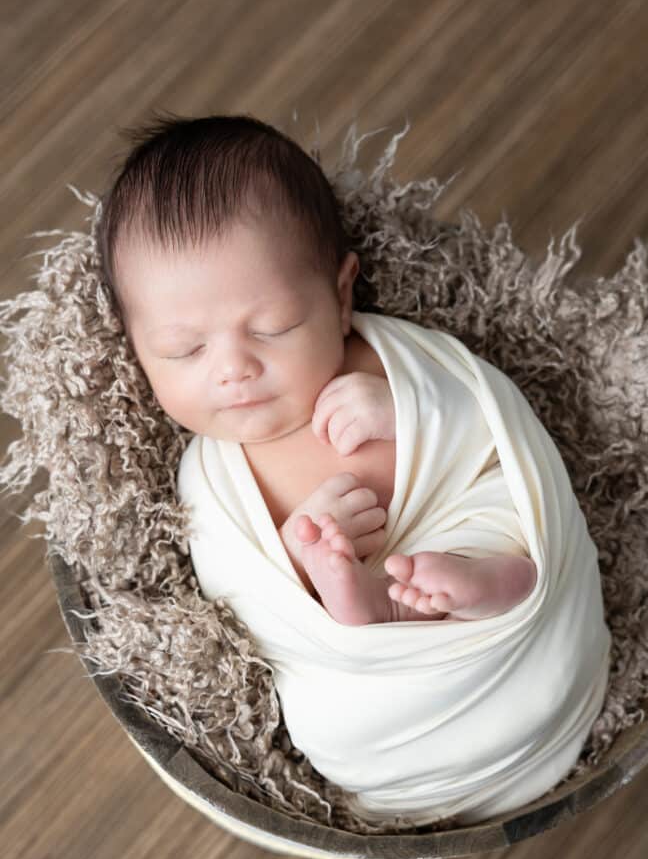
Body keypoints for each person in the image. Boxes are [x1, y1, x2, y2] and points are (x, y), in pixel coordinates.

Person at [97, 111, 536, 627]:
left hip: (465, 529)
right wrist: (297, 551)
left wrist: (407, 409)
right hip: (364, 642)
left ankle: (492, 582)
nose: (234, 369)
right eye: (184, 349)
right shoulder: (206, 481)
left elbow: (496, 419)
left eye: (273, 327)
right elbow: (234, 602)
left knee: (504, 516)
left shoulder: (381, 358)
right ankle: (380, 604)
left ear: (341, 296)